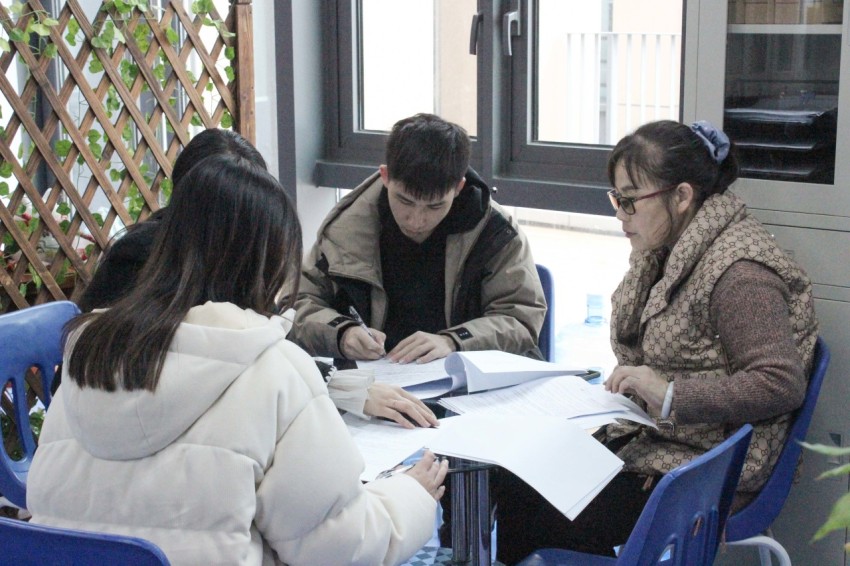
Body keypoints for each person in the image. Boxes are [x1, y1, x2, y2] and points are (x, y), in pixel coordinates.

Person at [27, 154, 449, 566]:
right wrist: (410, 496)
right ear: (268, 262)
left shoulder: (90, 352)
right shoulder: (274, 369)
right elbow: (340, 548)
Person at [494, 120, 818, 564]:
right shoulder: (676, 247)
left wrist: (669, 394)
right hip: (668, 440)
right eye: (616, 198)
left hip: (708, 465)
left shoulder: (741, 274)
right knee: (520, 477)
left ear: (682, 196)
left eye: (630, 200)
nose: (620, 214)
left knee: (540, 507)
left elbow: (780, 382)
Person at [77, 128, 430, 429]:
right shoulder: (142, 260)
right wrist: (343, 389)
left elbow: (266, 336)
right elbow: (209, 362)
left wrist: (340, 359)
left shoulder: (227, 255)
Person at [290, 113, 546, 369]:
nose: (416, 221)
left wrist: (454, 341)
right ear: (385, 176)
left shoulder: (496, 233)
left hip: (469, 380)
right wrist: (341, 333)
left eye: (435, 206)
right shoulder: (347, 228)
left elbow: (521, 319)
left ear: (458, 188)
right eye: (404, 201)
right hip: (376, 380)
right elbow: (295, 306)